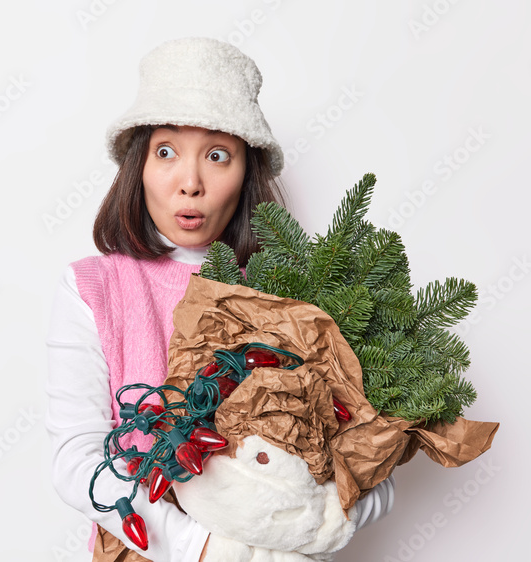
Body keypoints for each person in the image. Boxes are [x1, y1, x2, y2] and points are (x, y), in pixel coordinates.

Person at [45, 37, 395, 561]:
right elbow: (76, 458)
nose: (190, 183)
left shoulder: (299, 295)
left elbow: (373, 465)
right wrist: (202, 547)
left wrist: (303, 532)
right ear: (137, 166)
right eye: (166, 152)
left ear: (245, 172)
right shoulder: (96, 288)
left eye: (217, 155)